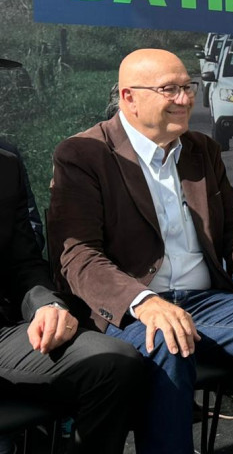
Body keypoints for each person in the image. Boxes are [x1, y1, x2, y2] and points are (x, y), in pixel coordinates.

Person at [48, 49, 233, 454]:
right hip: (130, 308)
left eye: (188, 88)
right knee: (165, 340)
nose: (186, 100)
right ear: (129, 96)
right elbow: (78, 255)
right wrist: (144, 302)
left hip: (206, 301)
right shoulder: (84, 154)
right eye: (170, 89)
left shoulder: (201, 148)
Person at [1, 147, 143, 453]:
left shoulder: (5, 167)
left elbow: (23, 264)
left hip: (3, 336)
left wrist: (46, 306)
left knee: (114, 362)